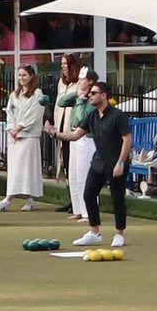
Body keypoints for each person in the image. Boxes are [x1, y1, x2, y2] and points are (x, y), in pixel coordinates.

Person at [73, 81, 131, 251]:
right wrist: (55, 133)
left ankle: (119, 233)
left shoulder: (117, 115)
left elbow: (127, 139)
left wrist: (120, 162)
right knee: (89, 194)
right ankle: (94, 232)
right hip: (98, 162)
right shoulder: (92, 115)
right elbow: (76, 134)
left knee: (117, 198)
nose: (89, 95)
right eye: (89, 93)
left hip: (115, 163)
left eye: (93, 93)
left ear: (103, 95)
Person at [1, 66, 47, 209]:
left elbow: (34, 114)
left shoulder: (37, 94)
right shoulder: (14, 95)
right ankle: (29, 200)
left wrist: (19, 127)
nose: (21, 78)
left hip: (29, 136)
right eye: (19, 75)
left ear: (32, 76)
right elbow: (9, 111)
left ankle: (8, 200)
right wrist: (12, 128)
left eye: (24, 75)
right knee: (16, 168)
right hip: (15, 137)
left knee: (27, 168)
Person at [63, 69, 99, 233]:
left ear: (90, 81)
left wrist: (79, 99)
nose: (79, 81)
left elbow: (79, 119)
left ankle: (88, 212)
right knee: (74, 175)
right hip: (74, 138)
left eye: (82, 79)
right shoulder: (80, 94)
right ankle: (78, 209)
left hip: (86, 139)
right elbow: (61, 102)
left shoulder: (92, 99)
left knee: (85, 176)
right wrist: (77, 95)